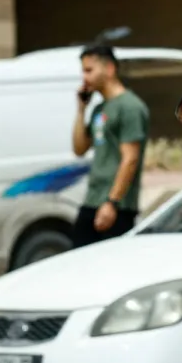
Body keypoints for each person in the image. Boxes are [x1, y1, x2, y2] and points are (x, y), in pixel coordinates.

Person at [70, 44, 149, 248]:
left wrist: (112, 203)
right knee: (79, 259)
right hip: (93, 200)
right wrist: (81, 109)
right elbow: (79, 148)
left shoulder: (130, 107)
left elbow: (130, 159)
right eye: (83, 71)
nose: (84, 77)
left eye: (89, 70)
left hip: (116, 206)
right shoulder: (99, 109)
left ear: (109, 69)